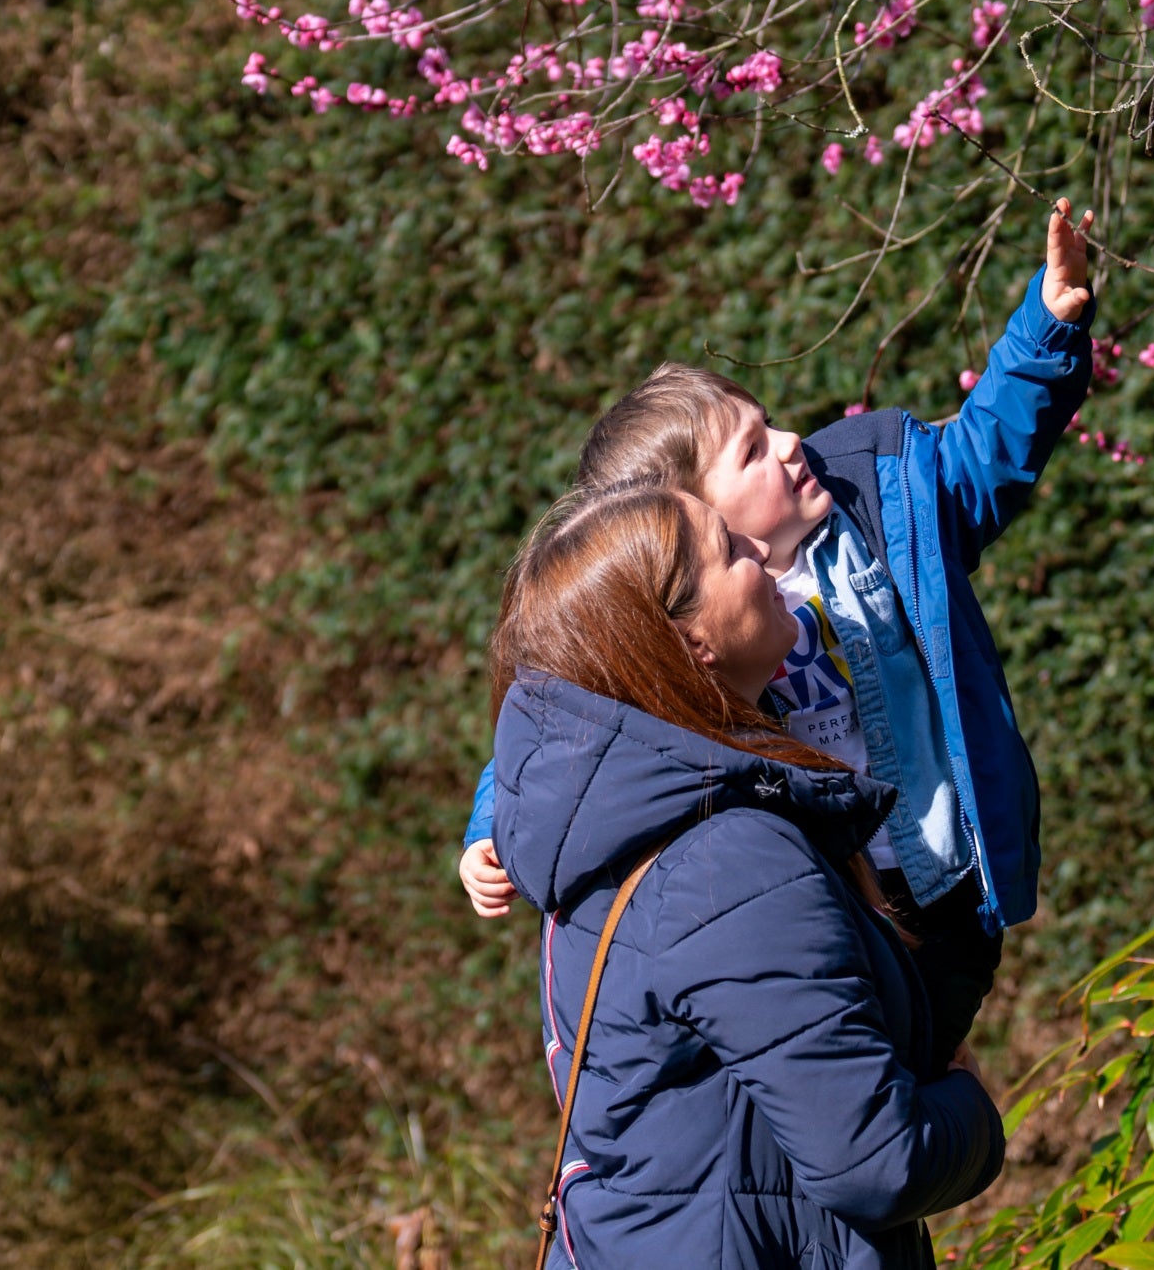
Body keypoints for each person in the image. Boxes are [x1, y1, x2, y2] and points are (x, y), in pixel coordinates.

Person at [462, 198, 1096, 1071]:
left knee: (921, 1067)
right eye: (754, 452)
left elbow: (983, 457)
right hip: (826, 898)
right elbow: (572, 718)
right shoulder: (673, 620)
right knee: (835, 1072)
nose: (795, 443)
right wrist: (488, 831)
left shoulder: (880, 498)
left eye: (771, 425)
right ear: (692, 516)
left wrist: (1047, 329)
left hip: (939, 881)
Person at [489, 483, 1004, 1270]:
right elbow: (874, 1163)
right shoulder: (727, 862)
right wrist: (970, 1105)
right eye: (730, 549)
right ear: (690, 642)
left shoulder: (605, 831)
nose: (762, 552)